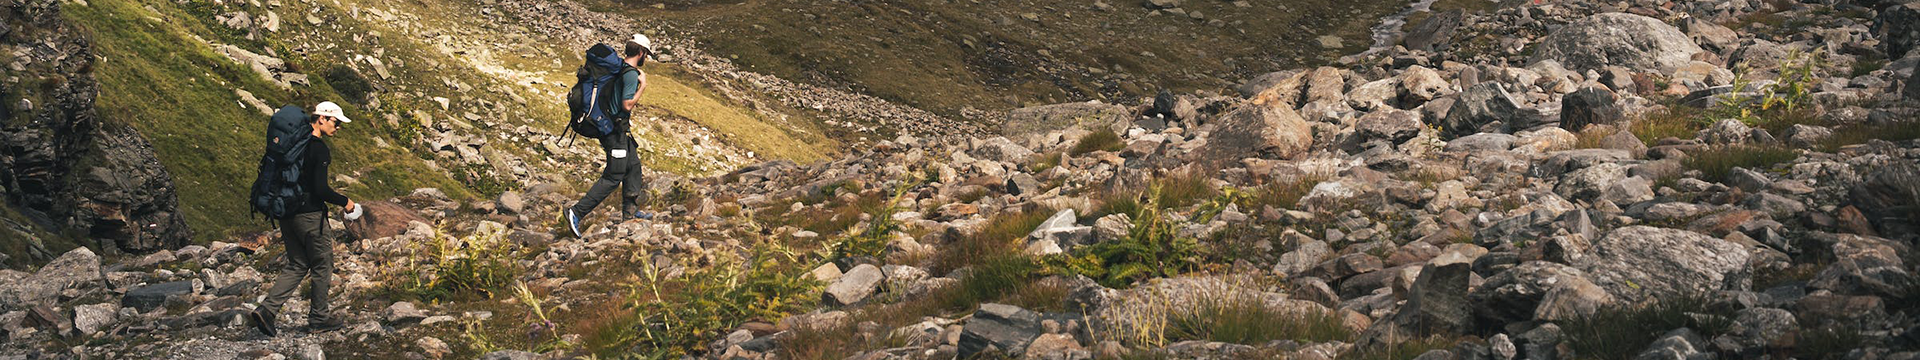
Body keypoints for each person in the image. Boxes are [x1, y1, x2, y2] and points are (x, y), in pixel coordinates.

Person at [250, 101, 357, 337]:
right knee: (322, 264)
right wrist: (345, 202)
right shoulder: (318, 149)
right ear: (321, 118)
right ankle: (319, 318)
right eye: (336, 122)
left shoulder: (292, 145)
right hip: (309, 216)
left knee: (298, 263)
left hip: (286, 212)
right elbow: (320, 189)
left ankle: (267, 310)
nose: (338, 128)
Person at [566, 34, 654, 237]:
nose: (646, 59)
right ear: (640, 53)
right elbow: (627, 104)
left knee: (633, 165)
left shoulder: (620, 67)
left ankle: (630, 214)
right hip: (612, 132)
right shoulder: (631, 74)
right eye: (646, 54)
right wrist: (643, 87)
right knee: (614, 175)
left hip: (618, 130)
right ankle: (576, 212)